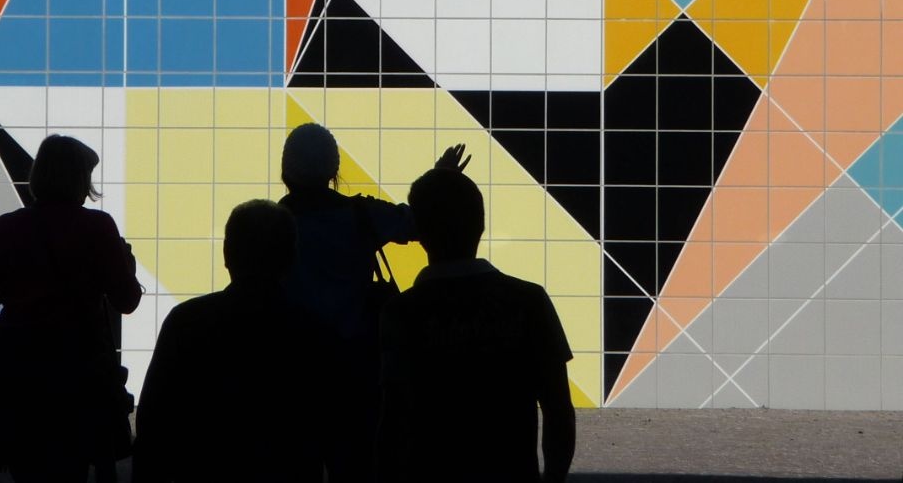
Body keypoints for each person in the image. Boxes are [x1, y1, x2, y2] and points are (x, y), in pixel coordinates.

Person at [277, 123, 469, 483]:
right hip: (357, 370)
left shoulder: (272, 225)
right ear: (334, 171)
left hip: (293, 373)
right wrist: (440, 176)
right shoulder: (361, 215)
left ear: (286, 172)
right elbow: (417, 221)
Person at [377, 168, 576, 483]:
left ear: (420, 233)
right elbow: (558, 411)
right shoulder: (530, 302)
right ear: (481, 225)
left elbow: (392, 421)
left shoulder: (400, 313)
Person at [0, 134, 142, 483]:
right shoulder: (98, 228)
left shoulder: (5, 228)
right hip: (81, 374)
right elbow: (127, 300)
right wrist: (126, 265)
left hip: (19, 375)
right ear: (79, 179)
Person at [133, 199, 330, 483]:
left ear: (227, 254)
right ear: (291, 258)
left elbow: (153, 420)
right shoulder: (313, 331)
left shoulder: (186, 322)